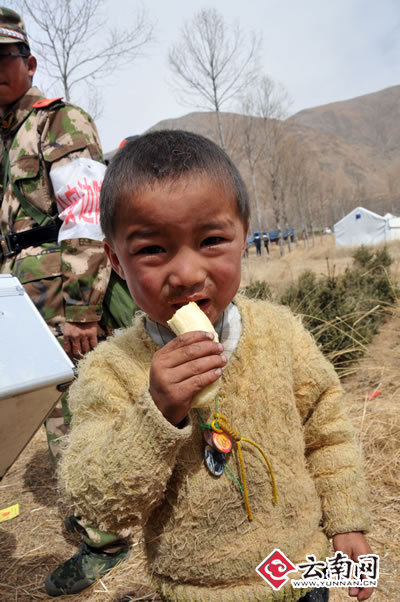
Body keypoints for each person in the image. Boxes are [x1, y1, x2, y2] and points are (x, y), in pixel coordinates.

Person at [48, 130, 374, 601]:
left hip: (302, 573)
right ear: (116, 261)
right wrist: (154, 414)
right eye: (152, 250)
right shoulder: (112, 371)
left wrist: (345, 519)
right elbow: (95, 499)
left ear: (244, 237)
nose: (185, 273)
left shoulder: (281, 335)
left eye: (212, 240)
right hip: (197, 590)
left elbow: (328, 432)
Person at [0, 8, 135, 464]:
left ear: (30, 63)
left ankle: (104, 534)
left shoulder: (58, 123)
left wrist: (82, 309)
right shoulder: (5, 139)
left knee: (79, 414)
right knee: (56, 415)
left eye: (5, 57)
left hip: (64, 300)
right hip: (22, 301)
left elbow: (86, 214)